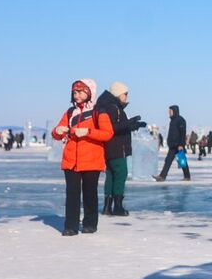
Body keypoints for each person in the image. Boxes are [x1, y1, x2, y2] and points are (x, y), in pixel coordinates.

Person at [52, 78, 113, 236]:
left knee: (89, 193)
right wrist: (57, 131)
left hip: (92, 160)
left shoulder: (98, 112)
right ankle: (70, 226)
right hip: (71, 160)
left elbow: (108, 133)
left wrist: (88, 132)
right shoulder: (70, 112)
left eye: (80, 92)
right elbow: (57, 133)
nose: (77, 95)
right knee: (72, 194)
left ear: (90, 93)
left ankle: (90, 223)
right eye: (74, 92)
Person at [96, 81, 146, 217]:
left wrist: (132, 125)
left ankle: (107, 206)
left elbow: (117, 126)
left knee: (111, 175)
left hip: (110, 148)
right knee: (120, 174)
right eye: (125, 94)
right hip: (117, 148)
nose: (127, 97)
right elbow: (112, 128)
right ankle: (117, 206)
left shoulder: (109, 106)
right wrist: (130, 123)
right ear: (118, 93)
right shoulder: (113, 108)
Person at [154, 105, 190, 181]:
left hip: (178, 145)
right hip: (172, 145)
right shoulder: (172, 121)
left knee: (182, 161)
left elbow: (182, 133)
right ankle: (162, 176)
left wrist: (181, 144)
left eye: (170, 111)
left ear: (174, 111)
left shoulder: (180, 120)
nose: (169, 112)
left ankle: (187, 176)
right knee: (168, 161)